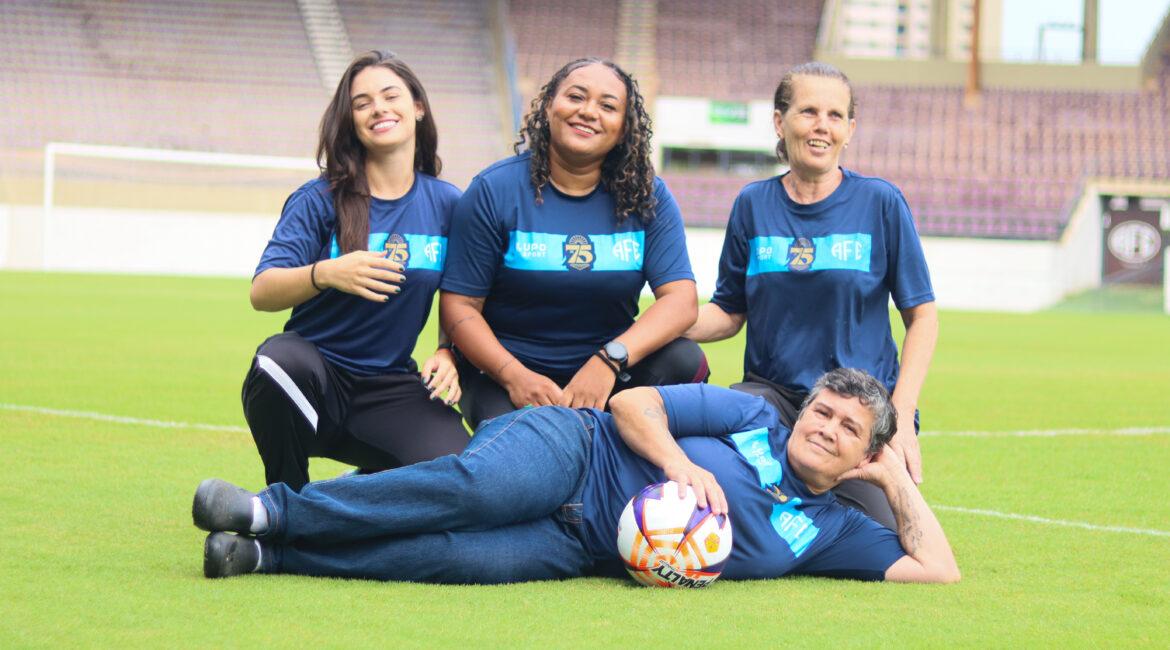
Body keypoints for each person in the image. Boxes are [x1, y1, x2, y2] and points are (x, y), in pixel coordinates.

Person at [193, 368, 959, 585]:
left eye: (846, 428)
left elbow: (939, 570)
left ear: (863, 454)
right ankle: (269, 510)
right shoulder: (751, 419)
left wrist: (896, 484)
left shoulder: (828, 532)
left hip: (581, 542)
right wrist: (680, 463)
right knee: (473, 491)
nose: (822, 426)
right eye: (821, 410)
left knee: (452, 559)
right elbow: (633, 404)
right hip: (576, 449)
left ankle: (267, 556)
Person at [684, 62, 939, 529]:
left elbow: (922, 317)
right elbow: (728, 311)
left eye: (835, 115)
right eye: (808, 111)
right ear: (780, 122)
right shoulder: (752, 204)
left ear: (850, 130)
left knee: (882, 531)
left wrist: (899, 414)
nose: (822, 125)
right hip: (772, 400)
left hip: (856, 405)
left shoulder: (880, 202)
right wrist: (667, 322)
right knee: (721, 505)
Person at [241, 51, 469, 492]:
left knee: (461, 474)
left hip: (388, 387)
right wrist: (324, 273)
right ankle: (284, 502)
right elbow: (262, 291)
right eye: (362, 103)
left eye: (390, 96)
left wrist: (448, 352)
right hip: (314, 380)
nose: (379, 108)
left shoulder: (447, 204)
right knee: (275, 361)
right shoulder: (317, 199)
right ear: (350, 120)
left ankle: (361, 484)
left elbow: (465, 296)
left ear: (417, 107)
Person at [439, 58, 707, 430]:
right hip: (505, 375)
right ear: (549, 105)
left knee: (686, 360)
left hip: (609, 372)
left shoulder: (648, 196)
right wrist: (514, 376)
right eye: (576, 97)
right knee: (523, 467)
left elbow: (681, 302)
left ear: (624, 127)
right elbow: (459, 306)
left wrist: (608, 361)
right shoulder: (493, 190)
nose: (588, 112)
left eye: (608, 106)